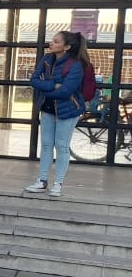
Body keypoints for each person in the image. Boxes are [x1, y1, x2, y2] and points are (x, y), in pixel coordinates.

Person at [25, 31, 89, 197]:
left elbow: (66, 91)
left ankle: (58, 184)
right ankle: (42, 181)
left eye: (56, 41)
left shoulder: (75, 65)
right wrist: (53, 86)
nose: (51, 43)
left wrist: (45, 86)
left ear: (66, 47)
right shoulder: (47, 59)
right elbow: (33, 80)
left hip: (68, 111)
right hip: (47, 109)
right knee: (46, 145)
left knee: (61, 145)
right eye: (52, 40)